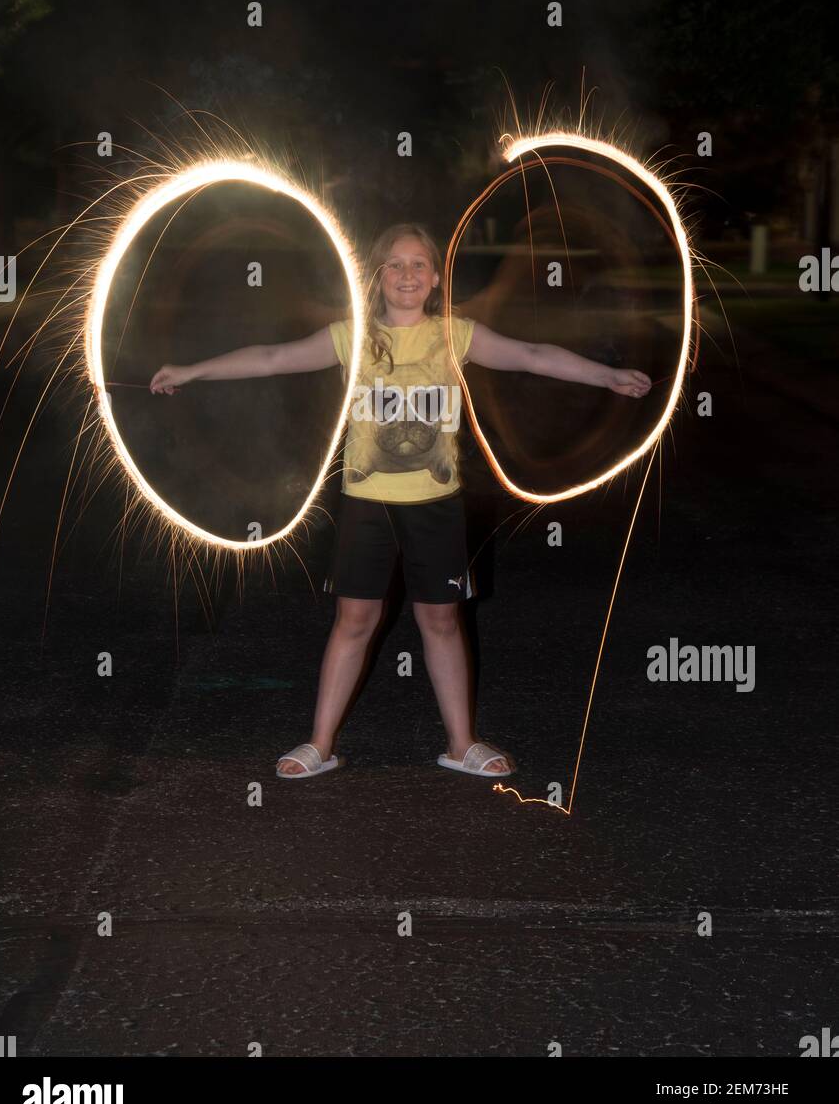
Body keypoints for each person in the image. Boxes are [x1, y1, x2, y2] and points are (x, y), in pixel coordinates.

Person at [150, 223, 651, 779]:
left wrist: (606, 375)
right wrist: (193, 371)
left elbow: (532, 355)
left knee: (440, 621)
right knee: (354, 619)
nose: (407, 275)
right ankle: (320, 743)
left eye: (418, 265)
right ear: (377, 275)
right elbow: (270, 357)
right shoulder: (353, 337)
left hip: (436, 504)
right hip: (367, 503)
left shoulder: (455, 336)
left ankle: (462, 744)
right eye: (394, 264)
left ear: (436, 278)